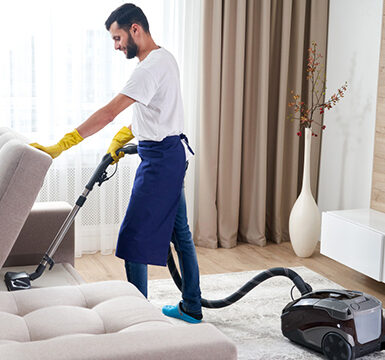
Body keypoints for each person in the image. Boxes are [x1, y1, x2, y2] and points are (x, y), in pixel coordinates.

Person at [30, 3, 202, 323]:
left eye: (117, 37)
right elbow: (154, 113)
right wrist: (123, 139)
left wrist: (63, 144)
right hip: (170, 154)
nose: (116, 45)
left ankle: (137, 319)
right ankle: (192, 305)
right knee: (180, 234)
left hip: (161, 161)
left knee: (133, 239)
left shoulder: (148, 69)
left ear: (135, 28)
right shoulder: (164, 58)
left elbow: (109, 113)